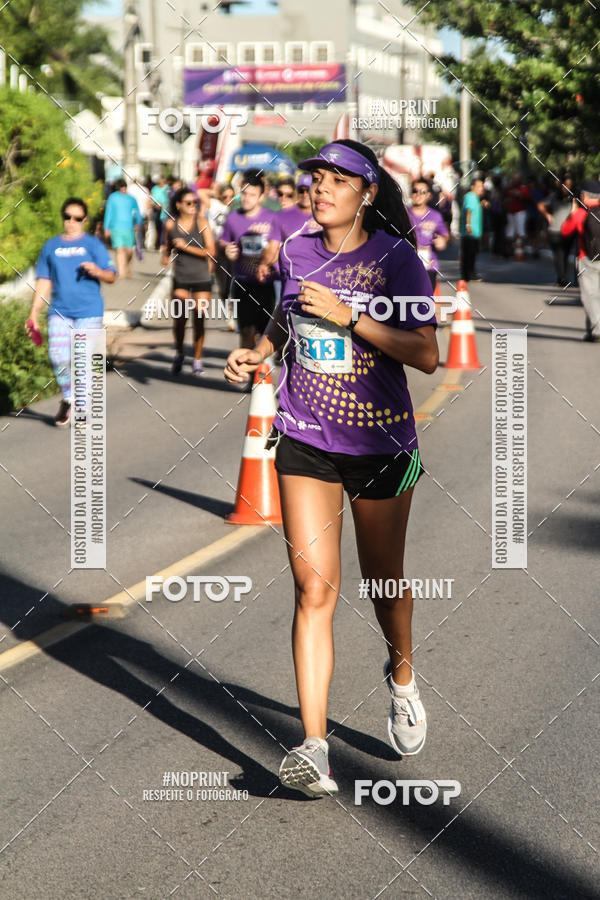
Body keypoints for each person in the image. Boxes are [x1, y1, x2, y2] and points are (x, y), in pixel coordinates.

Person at [224, 139, 439, 797]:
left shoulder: (396, 259)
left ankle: (401, 678)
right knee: (313, 588)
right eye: (314, 178)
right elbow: (288, 324)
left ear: (366, 192)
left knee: (382, 584)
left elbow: (427, 354)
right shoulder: (294, 250)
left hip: (379, 445)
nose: (320, 188)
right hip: (305, 438)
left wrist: (352, 317)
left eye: (336, 180)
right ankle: (314, 748)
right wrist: (258, 354)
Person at [26, 198, 116, 426]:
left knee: (83, 361)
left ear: (84, 220)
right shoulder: (51, 246)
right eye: (68, 217)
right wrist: (34, 313)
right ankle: (68, 397)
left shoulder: (93, 244)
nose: (71, 222)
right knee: (58, 357)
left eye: (77, 218)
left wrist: (97, 271)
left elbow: (112, 276)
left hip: (89, 311)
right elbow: (44, 281)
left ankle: (83, 408)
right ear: (63, 217)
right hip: (60, 311)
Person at [219, 169, 279, 357]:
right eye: (244, 194)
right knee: (246, 332)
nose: (246, 198)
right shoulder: (233, 217)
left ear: (261, 197)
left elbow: (283, 244)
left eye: (252, 195)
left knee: (265, 333)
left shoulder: (274, 218)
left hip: (268, 283)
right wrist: (226, 249)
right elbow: (223, 241)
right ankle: (248, 376)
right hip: (242, 283)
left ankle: (262, 375)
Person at [161, 188, 216, 374]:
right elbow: (168, 245)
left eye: (195, 202)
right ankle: (179, 353)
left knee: (199, 319)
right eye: (189, 203)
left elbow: (211, 251)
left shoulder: (202, 223)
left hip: (201, 277)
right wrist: (165, 255)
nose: (193, 206)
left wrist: (187, 247)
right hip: (181, 277)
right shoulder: (170, 225)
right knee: (180, 320)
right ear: (179, 205)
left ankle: (198, 359)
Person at [257, 173, 320, 283]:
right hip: (287, 277)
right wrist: (263, 265)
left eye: (308, 190)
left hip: (317, 276)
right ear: (297, 192)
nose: (305, 194)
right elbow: (273, 247)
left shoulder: (325, 216)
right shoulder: (282, 215)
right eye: (301, 190)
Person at [560, 178, 600, 341]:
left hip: (587, 259)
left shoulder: (581, 214)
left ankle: (596, 330)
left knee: (590, 296)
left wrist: (573, 209)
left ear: (583, 195)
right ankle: (591, 331)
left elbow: (565, 231)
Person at [407, 178, 449, 291]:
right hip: (407, 266)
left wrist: (442, 240)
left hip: (429, 266)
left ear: (429, 195)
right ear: (411, 193)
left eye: (423, 192)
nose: (418, 194)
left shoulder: (435, 216)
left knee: (425, 304)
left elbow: (445, 234)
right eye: (415, 191)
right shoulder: (403, 214)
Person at [103, 179, 143, 278]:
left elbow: (137, 211)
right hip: (115, 227)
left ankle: (127, 265)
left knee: (129, 251)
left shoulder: (131, 199)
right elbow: (109, 213)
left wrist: (138, 222)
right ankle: (121, 272)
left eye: (125, 187)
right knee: (119, 250)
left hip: (129, 228)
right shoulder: (113, 197)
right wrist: (106, 228)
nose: (123, 189)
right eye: (122, 187)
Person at [541, 176, 576, 286]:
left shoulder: (574, 198)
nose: (567, 187)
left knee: (565, 255)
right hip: (555, 231)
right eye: (565, 185)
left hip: (569, 231)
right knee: (559, 254)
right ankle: (562, 278)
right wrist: (548, 216)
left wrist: (575, 205)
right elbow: (540, 205)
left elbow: (576, 213)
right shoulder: (554, 197)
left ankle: (562, 277)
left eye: (570, 185)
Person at [459, 177, 485, 282]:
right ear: (472, 187)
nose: (481, 188)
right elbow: (469, 211)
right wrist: (468, 225)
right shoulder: (470, 197)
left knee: (472, 253)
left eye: (482, 186)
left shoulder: (475, 198)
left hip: (474, 232)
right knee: (468, 254)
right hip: (470, 232)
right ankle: (467, 274)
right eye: (479, 186)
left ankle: (470, 273)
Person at [505, 172, 531, 254]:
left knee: (521, 232)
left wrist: (520, 196)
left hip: (520, 213)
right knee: (510, 233)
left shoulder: (524, 188)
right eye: (514, 178)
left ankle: (520, 250)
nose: (515, 180)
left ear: (520, 180)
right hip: (510, 213)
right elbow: (504, 197)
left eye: (517, 179)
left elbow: (529, 199)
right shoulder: (509, 188)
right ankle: (510, 250)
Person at [150, 175, 170, 250]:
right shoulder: (155, 188)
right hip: (156, 210)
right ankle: (157, 244)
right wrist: (155, 204)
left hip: (165, 211)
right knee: (156, 228)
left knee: (164, 227)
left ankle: (163, 244)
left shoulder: (167, 188)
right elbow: (151, 198)